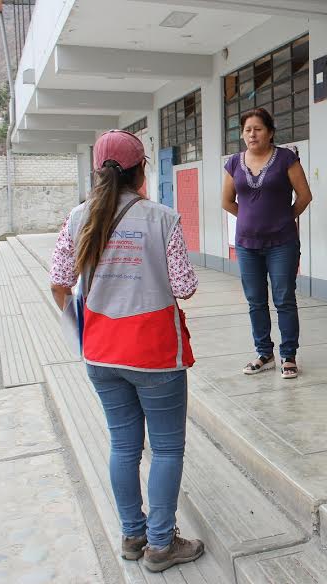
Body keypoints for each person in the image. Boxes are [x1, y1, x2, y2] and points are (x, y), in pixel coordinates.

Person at [49, 130, 204, 572]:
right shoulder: (162, 218)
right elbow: (185, 287)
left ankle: (133, 536)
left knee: (123, 444)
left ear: (98, 171)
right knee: (168, 448)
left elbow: (59, 282)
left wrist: (87, 330)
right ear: (141, 170)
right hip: (154, 352)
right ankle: (161, 544)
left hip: (101, 354)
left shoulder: (77, 218)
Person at [221, 108, 313, 379]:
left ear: (270, 132)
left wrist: (284, 218)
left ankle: (288, 356)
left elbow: (305, 196)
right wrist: (249, 219)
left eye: (258, 129)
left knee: (284, 298)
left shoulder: (286, 158)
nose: (252, 134)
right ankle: (264, 354)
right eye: (247, 129)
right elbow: (227, 201)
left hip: (282, 242)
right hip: (247, 245)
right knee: (255, 301)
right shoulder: (234, 163)